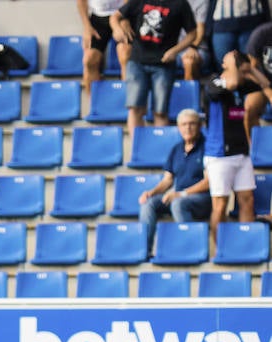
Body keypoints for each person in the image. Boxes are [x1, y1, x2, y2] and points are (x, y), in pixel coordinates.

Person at [205, 50, 266, 237]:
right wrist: (235, 67)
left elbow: (265, 85)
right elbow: (230, 83)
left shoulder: (242, 84)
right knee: (220, 204)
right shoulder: (214, 81)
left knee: (247, 200)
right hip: (219, 154)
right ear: (224, 64)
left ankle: (244, 245)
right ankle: (219, 249)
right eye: (234, 60)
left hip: (242, 153)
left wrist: (251, 69)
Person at [112, 0, 197, 132]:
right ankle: (137, 148)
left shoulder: (180, 4)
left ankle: (160, 146)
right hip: (137, 61)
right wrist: (117, 29)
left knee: (161, 111)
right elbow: (115, 16)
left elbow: (192, 34)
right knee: (135, 108)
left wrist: (175, 51)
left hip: (164, 64)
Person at [139, 108, 211, 256]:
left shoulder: (208, 148)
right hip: (180, 196)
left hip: (202, 199)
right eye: (184, 124)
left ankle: (190, 250)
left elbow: (208, 182)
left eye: (192, 123)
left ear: (200, 126)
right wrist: (151, 192)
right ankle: (144, 251)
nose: (188, 128)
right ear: (178, 128)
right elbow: (167, 180)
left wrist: (182, 194)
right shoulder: (176, 149)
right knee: (149, 203)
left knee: (178, 204)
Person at [79, 0, 130, 110]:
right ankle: (96, 106)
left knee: (125, 53)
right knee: (89, 59)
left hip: (121, 15)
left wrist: (126, 17)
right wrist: (87, 27)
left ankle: (128, 104)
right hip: (98, 17)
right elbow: (81, 2)